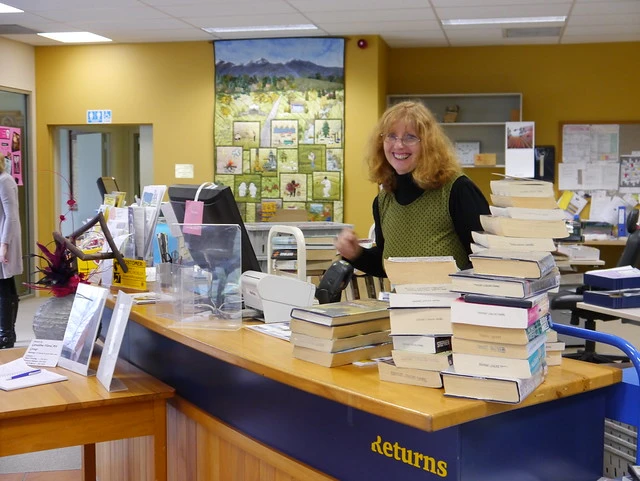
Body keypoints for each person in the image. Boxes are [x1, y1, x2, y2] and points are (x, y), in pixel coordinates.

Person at [334, 101, 490, 278]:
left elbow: (487, 259)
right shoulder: (383, 201)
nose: (399, 145)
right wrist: (356, 253)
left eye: (410, 137)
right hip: (401, 303)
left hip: (452, 304)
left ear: (428, 144)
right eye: (391, 136)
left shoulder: (457, 190)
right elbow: (388, 264)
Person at [0, 160, 22, 349]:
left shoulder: (5, 180)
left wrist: (4, 244)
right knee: (5, 285)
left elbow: (11, 215)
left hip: (3, 240)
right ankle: (7, 332)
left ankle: (6, 335)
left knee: (4, 286)